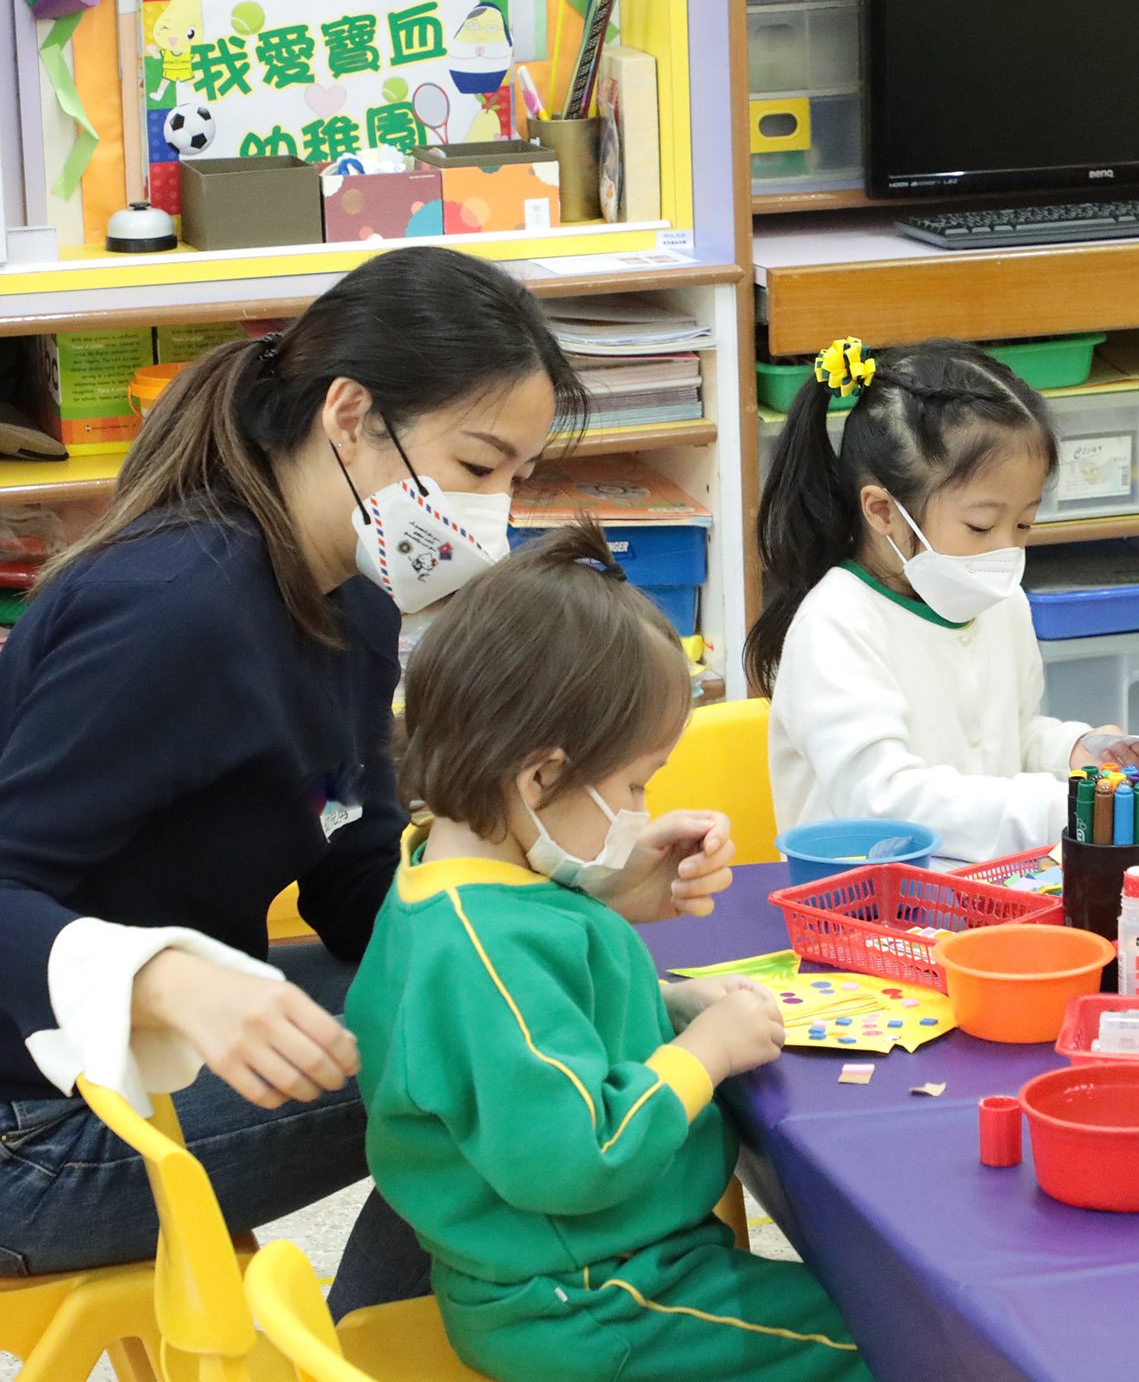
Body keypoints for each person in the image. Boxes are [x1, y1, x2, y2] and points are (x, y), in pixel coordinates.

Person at [0, 249, 733, 1311]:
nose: (494, 509)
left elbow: (358, 879)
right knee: (494, 1077)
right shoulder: (174, 613)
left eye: (516, 477)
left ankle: (391, 1343)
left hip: (124, 1063)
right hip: (33, 1132)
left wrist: (579, 879)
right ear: (349, 415)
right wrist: (163, 978)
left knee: (504, 1013)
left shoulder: (353, 600)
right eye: (477, 465)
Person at [346, 521, 871, 1382]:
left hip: (595, 1270)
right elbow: (577, 1153)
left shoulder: (458, 884)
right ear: (540, 777)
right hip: (588, 1302)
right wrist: (704, 1053)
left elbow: (542, 1042)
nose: (640, 809)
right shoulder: (482, 950)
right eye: (634, 784)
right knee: (891, 1343)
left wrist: (664, 1001)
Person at [748, 337, 1139, 861]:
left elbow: (1012, 736)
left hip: (984, 885)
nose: (1005, 550)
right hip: (865, 898)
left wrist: (1071, 751)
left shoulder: (999, 601)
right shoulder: (836, 624)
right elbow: (881, 800)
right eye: (980, 525)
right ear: (883, 511)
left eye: (1024, 524)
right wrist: (1052, 809)